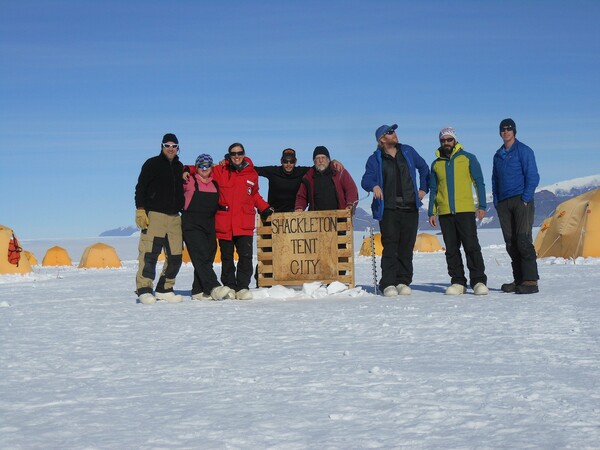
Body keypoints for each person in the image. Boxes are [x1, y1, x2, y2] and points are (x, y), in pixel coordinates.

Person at [361, 124, 429, 297]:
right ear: (382, 139)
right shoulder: (375, 158)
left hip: (410, 207)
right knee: (390, 246)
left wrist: (423, 189)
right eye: (390, 132)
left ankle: (403, 281)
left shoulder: (407, 151)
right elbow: (366, 179)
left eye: (394, 131)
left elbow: (424, 168)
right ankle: (388, 283)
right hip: (389, 209)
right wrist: (374, 185)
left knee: (406, 246)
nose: (394, 134)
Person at [428, 127, 489, 295]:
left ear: (455, 140)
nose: (446, 143)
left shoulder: (468, 158)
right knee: (451, 249)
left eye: (449, 139)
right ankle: (458, 282)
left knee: (471, 246)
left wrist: (482, 206)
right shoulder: (436, 164)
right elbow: (433, 189)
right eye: (443, 140)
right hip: (445, 213)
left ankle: (478, 281)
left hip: (465, 211)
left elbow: (479, 182)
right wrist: (431, 212)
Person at [212, 143, 272, 300]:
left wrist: (264, 207)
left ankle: (243, 287)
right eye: (233, 154)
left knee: (245, 257)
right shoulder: (220, 170)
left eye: (239, 153)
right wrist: (186, 170)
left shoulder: (251, 174)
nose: (236, 156)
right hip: (225, 222)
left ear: (244, 154)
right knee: (227, 257)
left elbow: (254, 195)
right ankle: (230, 287)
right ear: (229, 155)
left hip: (244, 222)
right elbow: (201, 170)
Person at [134, 133, 185, 305]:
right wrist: (140, 209)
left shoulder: (180, 167)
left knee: (176, 255)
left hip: (174, 217)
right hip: (155, 215)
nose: (170, 148)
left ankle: (164, 288)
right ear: (162, 146)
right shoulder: (152, 164)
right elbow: (140, 187)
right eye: (167, 145)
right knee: (149, 254)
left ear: (178, 148)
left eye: (174, 146)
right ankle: (144, 289)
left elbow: (199, 170)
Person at [492, 118, 540, 294]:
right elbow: (495, 180)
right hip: (504, 203)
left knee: (523, 239)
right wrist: (497, 202)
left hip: (521, 199)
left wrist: (526, 198)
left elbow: (533, 176)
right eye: (503, 129)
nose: (506, 132)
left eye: (509, 129)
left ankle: (530, 281)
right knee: (511, 243)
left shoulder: (524, 151)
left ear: (514, 131)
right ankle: (519, 279)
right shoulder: (498, 155)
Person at [182, 154, 234, 301]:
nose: (204, 169)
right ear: (196, 167)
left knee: (209, 254)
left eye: (207, 166)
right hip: (191, 223)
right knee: (200, 255)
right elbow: (177, 169)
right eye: (201, 166)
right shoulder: (189, 181)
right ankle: (213, 287)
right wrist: (185, 169)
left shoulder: (214, 184)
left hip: (209, 223)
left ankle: (198, 291)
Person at [254, 148, 345, 212]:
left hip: (294, 215)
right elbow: (254, 170)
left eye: (292, 161)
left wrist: (332, 162)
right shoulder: (273, 171)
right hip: (274, 214)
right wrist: (242, 160)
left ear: (296, 161)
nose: (288, 164)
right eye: (285, 161)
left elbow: (320, 166)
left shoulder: (301, 172)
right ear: (281, 161)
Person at [294, 146, 358, 213]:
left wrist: (350, 204)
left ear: (328, 159)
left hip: (339, 217)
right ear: (314, 161)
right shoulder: (308, 177)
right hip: (316, 218)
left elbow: (351, 189)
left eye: (323, 157)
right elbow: (301, 196)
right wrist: (299, 207)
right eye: (318, 158)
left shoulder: (339, 171)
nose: (321, 161)